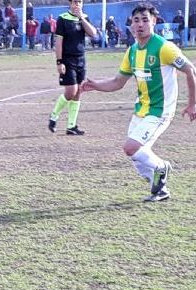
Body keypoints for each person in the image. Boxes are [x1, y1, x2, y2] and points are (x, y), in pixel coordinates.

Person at [82, 4, 196, 202]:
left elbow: (190, 70)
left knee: (130, 147)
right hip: (140, 110)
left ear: (154, 22)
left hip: (159, 112)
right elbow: (118, 82)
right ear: (131, 25)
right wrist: (96, 85)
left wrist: (192, 103)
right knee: (136, 155)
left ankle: (162, 167)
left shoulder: (164, 47)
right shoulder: (132, 51)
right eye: (136, 20)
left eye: (145, 20)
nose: (140, 24)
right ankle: (160, 189)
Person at [47, 0, 98, 135]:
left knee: (79, 91)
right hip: (67, 59)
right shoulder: (63, 18)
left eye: (80, 2)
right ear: (70, 3)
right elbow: (58, 42)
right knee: (71, 91)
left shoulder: (84, 18)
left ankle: (71, 125)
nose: (77, 4)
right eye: (75, 2)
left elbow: (93, 34)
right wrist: (59, 62)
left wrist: (81, 18)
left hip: (81, 59)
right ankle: (54, 116)